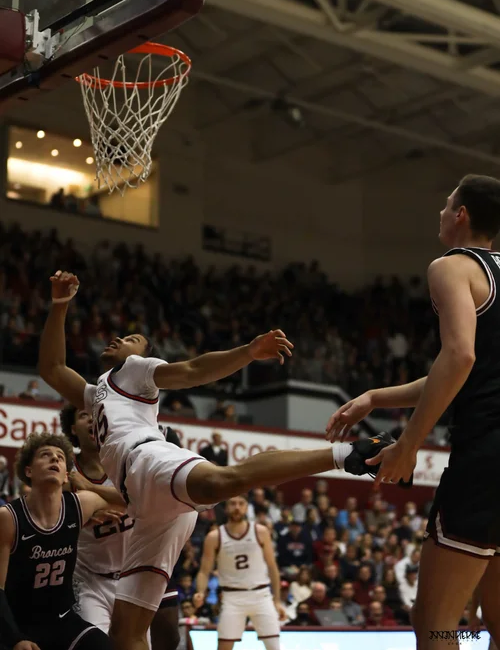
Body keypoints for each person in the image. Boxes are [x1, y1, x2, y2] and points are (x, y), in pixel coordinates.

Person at [39, 270, 400, 650]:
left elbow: (192, 371)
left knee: (221, 482)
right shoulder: (96, 394)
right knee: (126, 635)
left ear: (142, 355)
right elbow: (52, 368)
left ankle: (350, 453)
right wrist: (60, 305)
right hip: (143, 504)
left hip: (146, 460)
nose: (120, 339)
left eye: (132, 340)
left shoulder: (133, 371)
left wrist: (247, 352)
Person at [326, 173, 500, 650]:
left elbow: (459, 356)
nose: (440, 213)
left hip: (486, 459)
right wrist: (376, 397)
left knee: (435, 625)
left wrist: (409, 443)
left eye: (446, 205)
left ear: (461, 214)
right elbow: (467, 372)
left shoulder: (452, 266)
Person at [61, 405, 190, 650]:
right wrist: (82, 513)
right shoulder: (67, 471)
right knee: (98, 645)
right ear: (72, 428)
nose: (92, 420)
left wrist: (91, 491)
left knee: (163, 637)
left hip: (138, 567)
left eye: (95, 414)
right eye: (84, 415)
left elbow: (142, 498)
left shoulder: (125, 457)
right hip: (91, 577)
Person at [0, 432, 121, 650]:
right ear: (28, 471)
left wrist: (91, 486)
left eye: (60, 457)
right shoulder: (9, 518)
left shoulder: (80, 505)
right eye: (45, 455)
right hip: (18, 624)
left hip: (62, 620)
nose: (54, 458)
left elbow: (132, 501)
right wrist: (15, 638)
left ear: (66, 475)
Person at [196, 494, 285, 650]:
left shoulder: (261, 531)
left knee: (274, 647)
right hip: (232, 598)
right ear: (226, 508)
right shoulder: (214, 537)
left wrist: (277, 601)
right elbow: (204, 571)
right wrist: (200, 592)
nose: (237, 507)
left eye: (241, 503)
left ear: (246, 507)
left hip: (261, 596)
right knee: (223, 646)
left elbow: (273, 567)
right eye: (233, 503)